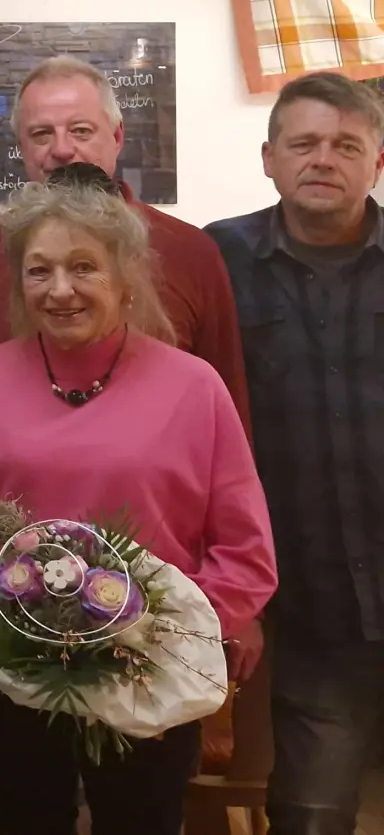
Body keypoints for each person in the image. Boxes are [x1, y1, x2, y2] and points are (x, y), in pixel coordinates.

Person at [0, 172, 278, 834]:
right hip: (17, 675)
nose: (60, 289)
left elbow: (245, 552)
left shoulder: (193, 387)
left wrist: (171, 635)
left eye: (84, 267)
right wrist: (1, 632)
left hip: (152, 670)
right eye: (39, 270)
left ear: (126, 276)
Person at [204, 71, 384, 835]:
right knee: (314, 815)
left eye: (347, 145)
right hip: (305, 603)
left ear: (377, 161)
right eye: (303, 143)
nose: (324, 159)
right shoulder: (215, 260)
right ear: (268, 156)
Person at [0, 54, 251, 433]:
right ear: (20, 146)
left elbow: (228, 411)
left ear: (118, 136)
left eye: (81, 131)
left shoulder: (190, 249)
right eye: (41, 134)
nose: (61, 149)